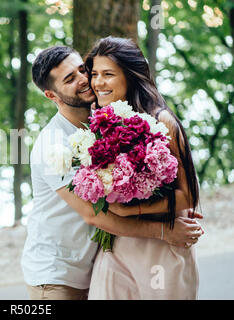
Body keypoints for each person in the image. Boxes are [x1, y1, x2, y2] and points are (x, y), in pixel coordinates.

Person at [21, 45, 204, 300]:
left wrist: (169, 205)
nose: (86, 80)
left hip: (96, 266)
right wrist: (164, 230)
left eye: (83, 70)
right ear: (52, 95)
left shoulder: (107, 120)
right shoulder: (53, 145)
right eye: (70, 79)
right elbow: (94, 216)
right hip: (57, 276)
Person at [84, 36, 201, 299]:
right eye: (95, 74)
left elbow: (189, 195)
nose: (98, 83)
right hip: (116, 246)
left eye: (108, 74)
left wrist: (129, 210)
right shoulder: (99, 121)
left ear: (131, 75)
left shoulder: (163, 120)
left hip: (163, 244)